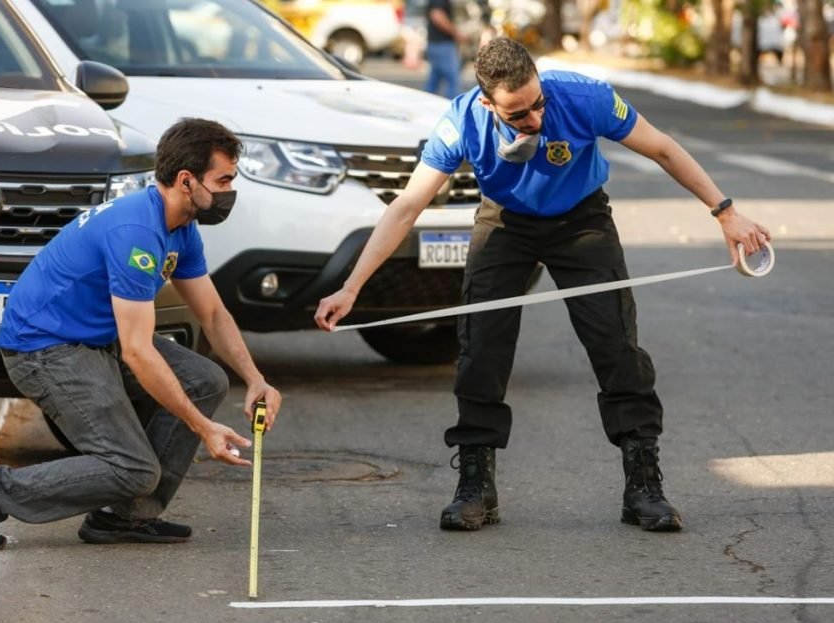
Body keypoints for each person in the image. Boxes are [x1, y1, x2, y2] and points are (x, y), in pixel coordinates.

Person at [315, 38, 771, 534]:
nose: (534, 117)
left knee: (616, 343)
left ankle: (643, 484)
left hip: (582, 220)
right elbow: (407, 206)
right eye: (517, 114)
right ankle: (476, 487)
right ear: (488, 104)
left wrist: (725, 212)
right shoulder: (462, 120)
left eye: (537, 104)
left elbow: (662, 148)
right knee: (480, 347)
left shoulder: (584, 96)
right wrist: (352, 287)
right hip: (505, 223)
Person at [0, 118, 282, 551]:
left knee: (206, 380)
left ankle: (126, 515)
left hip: (96, 337)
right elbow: (138, 352)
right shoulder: (136, 234)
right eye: (223, 180)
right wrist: (202, 428)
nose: (229, 192)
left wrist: (255, 378)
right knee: (132, 467)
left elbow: (212, 312)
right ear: (185, 180)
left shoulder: (180, 225)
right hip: (44, 349)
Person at [424, 0, 465, 98]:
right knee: (452, 80)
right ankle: (453, 109)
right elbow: (437, 16)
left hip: (437, 43)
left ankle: (425, 106)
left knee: (434, 81)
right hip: (442, 44)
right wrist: (456, 33)